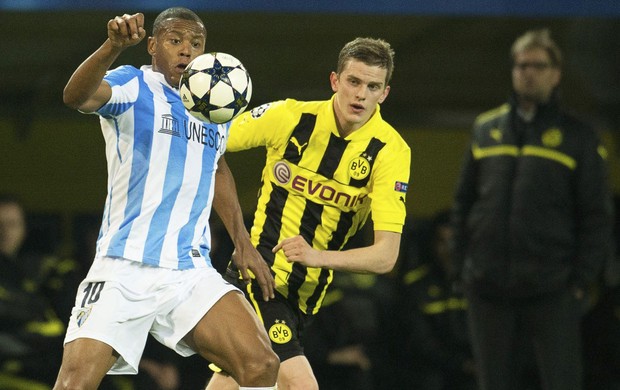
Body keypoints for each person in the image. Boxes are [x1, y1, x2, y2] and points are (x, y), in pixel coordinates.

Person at [54, 8, 279, 390]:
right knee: (75, 383)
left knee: (262, 363)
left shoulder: (215, 105)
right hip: (123, 267)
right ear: (153, 46)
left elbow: (218, 167)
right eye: (176, 41)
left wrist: (243, 242)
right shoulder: (133, 84)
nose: (186, 51)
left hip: (188, 269)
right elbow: (77, 97)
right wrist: (112, 48)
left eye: (196, 43)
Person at [207, 37, 411, 389]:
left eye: (373, 86)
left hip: (305, 297)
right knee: (300, 385)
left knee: (232, 384)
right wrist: (237, 236)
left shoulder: (391, 152)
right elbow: (207, 140)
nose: (361, 94)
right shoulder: (289, 117)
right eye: (354, 82)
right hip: (260, 278)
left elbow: (385, 256)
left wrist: (317, 257)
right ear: (335, 81)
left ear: (385, 93)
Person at [450, 28, 614, 390]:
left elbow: (596, 216)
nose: (528, 72)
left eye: (538, 65)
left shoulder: (578, 137)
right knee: (494, 382)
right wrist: (462, 268)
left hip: (552, 290)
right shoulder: (485, 129)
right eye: (522, 65)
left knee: (561, 381)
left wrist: (578, 281)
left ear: (556, 73)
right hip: (488, 286)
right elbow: (463, 204)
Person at [0, 194, 75, 389]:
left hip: (45, 362)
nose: (5, 232)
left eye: (12, 224)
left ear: (24, 229)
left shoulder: (44, 271)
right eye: (0, 224)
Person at [398, 210, 477, 390]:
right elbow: (419, 342)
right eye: (442, 241)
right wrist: (461, 365)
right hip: (435, 372)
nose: (448, 249)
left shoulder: (479, 284)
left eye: (453, 241)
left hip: (476, 370)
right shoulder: (416, 284)